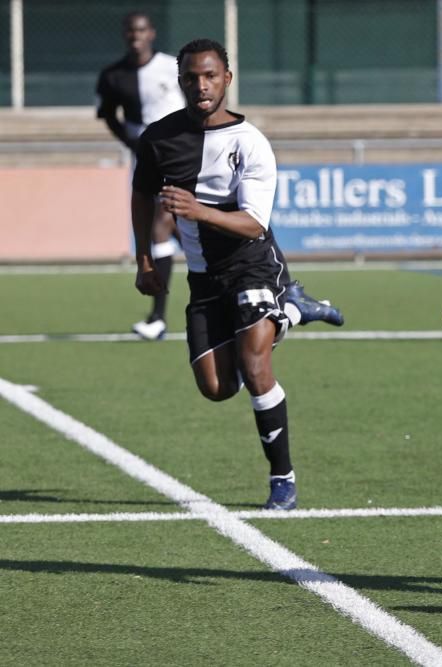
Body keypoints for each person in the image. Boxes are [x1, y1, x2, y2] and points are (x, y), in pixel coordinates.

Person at [131, 38, 344, 510]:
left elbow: (254, 223)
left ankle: (283, 480)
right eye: (191, 77)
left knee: (255, 368)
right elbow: (141, 194)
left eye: (210, 75)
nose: (201, 85)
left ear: (227, 78)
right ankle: (293, 308)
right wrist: (145, 259)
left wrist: (198, 211)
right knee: (216, 388)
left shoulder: (251, 143)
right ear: (181, 81)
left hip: (252, 265)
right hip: (203, 277)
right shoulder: (158, 138)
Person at [96, 12, 185, 340]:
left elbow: (199, 100)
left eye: (142, 30)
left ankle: (157, 319)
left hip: (177, 152)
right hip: (145, 157)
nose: (136, 35)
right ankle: (230, 273)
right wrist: (131, 142)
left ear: (152, 34)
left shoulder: (172, 66)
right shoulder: (114, 76)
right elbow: (108, 115)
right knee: (171, 228)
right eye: (131, 30)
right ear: (125, 34)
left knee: (162, 225)